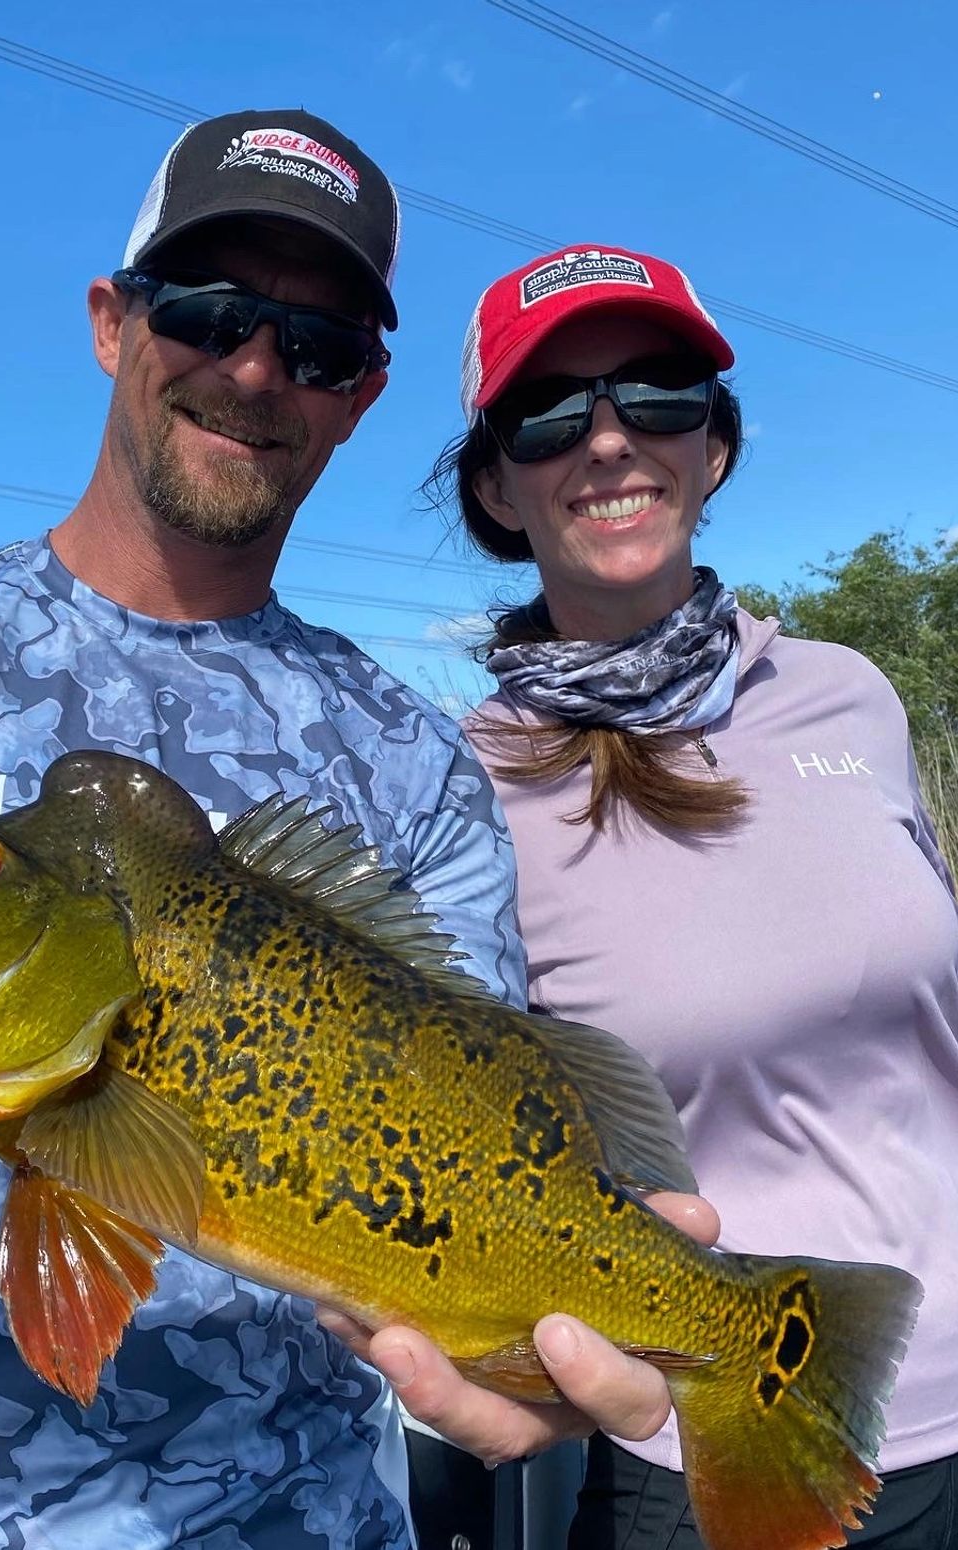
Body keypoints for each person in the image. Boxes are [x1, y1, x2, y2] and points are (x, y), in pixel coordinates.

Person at [0, 125, 710, 1549]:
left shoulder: (412, 760)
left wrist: (528, 1355)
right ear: (114, 323)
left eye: (313, 341)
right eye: (206, 311)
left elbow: (495, 1119)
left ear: (361, 395)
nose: (253, 368)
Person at [428, 242, 958, 1545]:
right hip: (707, 1446)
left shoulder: (853, 696)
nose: (608, 442)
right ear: (497, 483)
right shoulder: (460, 784)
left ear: (712, 446)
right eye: (552, 416)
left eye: (655, 395)